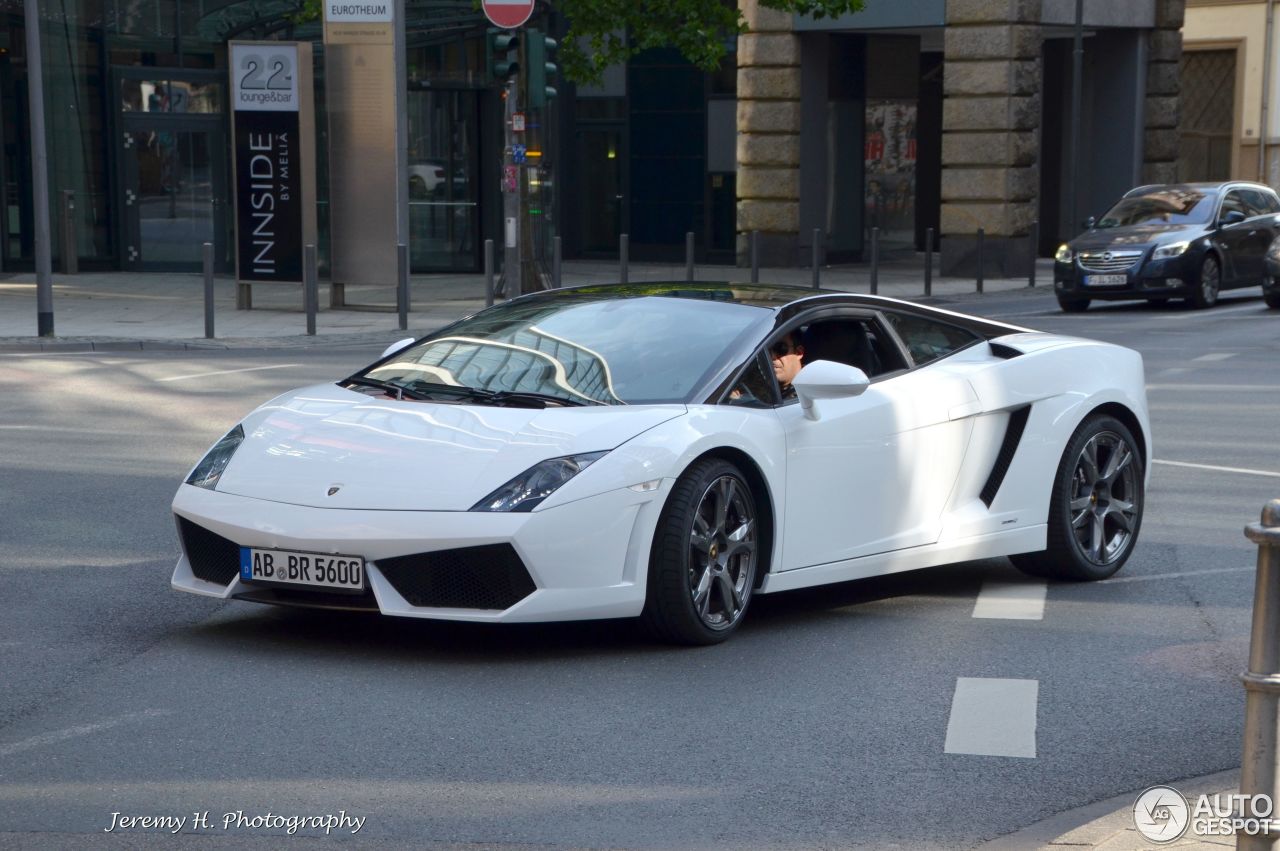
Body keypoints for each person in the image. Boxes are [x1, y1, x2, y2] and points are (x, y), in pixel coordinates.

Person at [770, 332, 805, 399]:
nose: (772, 356)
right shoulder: (755, 388)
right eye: (767, 350)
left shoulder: (813, 389)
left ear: (798, 353)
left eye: (780, 348)